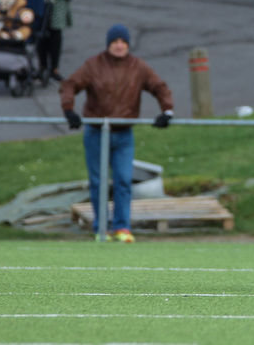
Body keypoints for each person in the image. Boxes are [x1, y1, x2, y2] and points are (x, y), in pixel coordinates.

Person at [59, 24, 174, 242]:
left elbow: (159, 86)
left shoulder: (138, 67)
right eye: (115, 42)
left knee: (123, 180)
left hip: (123, 133)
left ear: (128, 44)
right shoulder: (93, 65)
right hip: (96, 132)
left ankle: (122, 227)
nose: (119, 46)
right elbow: (70, 85)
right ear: (108, 44)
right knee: (98, 182)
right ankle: (101, 228)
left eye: (123, 42)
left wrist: (167, 111)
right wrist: (69, 110)